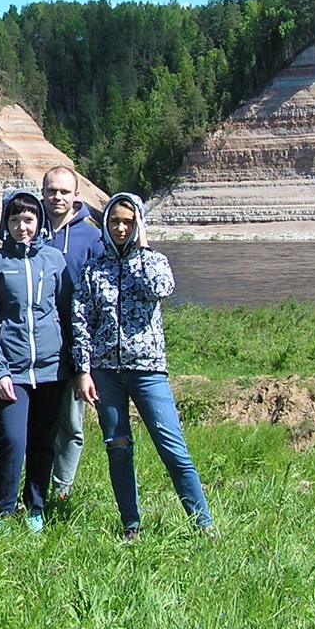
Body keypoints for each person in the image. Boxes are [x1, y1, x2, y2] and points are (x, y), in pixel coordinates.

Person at [73, 192, 214, 539]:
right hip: (106, 373)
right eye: (115, 221)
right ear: (105, 224)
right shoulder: (94, 269)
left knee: (172, 448)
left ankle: (203, 524)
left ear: (139, 224)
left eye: (128, 221)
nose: (121, 228)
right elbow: (81, 321)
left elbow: (162, 288)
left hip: (148, 370)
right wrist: (83, 369)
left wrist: (145, 248)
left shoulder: (154, 262)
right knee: (117, 447)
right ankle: (130, 525)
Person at [0, 189, 68, 532]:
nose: (22, 227)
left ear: (39, 221)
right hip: (10, 371)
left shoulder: (54, 260)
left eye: (28, 219)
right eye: (14, 219)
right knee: (12, 439)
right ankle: (1, 510)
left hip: (51, 370)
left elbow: (66, 311)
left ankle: (36, 508)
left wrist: (73, 365)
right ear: (6, 223)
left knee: (43, 441)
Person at [41, 165, 105, 500]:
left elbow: (100, 296)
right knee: (5, 421)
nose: (57, 197)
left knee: (71, 424)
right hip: (30, 347)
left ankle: (61, 492)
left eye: (64, 191)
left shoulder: (92, 238)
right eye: (52, 190)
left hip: (74, 347)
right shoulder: (29, 228)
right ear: (43, 193)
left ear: (76, 196)